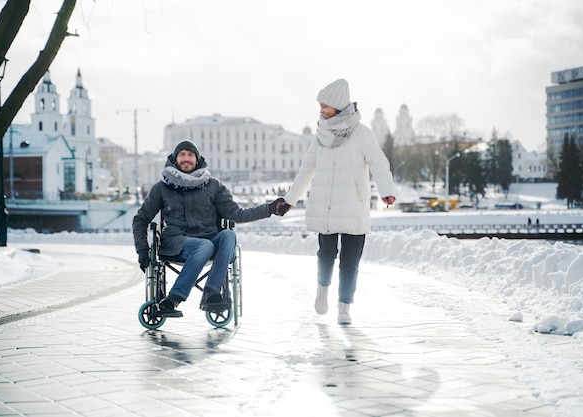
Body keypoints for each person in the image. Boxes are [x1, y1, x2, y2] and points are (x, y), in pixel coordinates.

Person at [278, 78, 397, 325]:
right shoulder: (321, 134)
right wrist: (290, 199)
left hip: (353, 205)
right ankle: (322, 289)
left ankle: (344, 308)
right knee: (326, 253)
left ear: (339, 106)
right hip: (326, 206)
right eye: (321, 105)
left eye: (326, 105)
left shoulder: (362, 134)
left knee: (350, 262)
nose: (321, 109)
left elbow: (379, 162)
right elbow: (306, 169)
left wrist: (387, 190)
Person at [132, 140, 286, 317]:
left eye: (190, 155)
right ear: (175, 159)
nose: (186, 158)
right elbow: (140, 219)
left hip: (209, 240)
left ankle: (211, 293)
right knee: (204, 245)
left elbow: (237, 214)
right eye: (182, 154)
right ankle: (173, 298)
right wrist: (142, 249)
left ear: (197, 160)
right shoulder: (161, 188)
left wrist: (270, 209)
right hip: (176, 244)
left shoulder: (214, 186)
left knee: (228, 235)